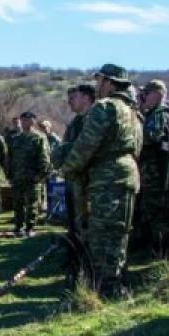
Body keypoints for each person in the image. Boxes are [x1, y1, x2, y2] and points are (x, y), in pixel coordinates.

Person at [59, 64, 143, 297]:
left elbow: (85, 146)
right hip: (128, 174)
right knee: (119, 234)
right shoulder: (132, 111)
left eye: (100, 81)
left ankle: (107, 288)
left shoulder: (105, 107)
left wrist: (67, 167)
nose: (97, 86)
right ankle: (117, 283)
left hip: (107, 178)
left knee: (102, 234)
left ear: (109, 82)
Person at [135, 79, 169, 256]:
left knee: (157, 209)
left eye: (147, 93)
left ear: (158, 94)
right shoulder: (152, 114)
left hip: (157, 170)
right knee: (148, 207)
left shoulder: (160, 114)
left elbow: (152, 136)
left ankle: (160, 247)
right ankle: (149, 243)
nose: (144, 97)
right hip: (149, 169)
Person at [53, 84, 96, 234]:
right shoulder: (75, 122)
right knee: (74, 219)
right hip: (74, 177)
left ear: (86, 98)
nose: (69, 102)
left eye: (73, 98)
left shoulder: (93, 119)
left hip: (87, 179)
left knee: (85, 219)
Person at [8, 112, 51, 237]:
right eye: (23, 120)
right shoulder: (16, 139)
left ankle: (30, 228)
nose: (25, 122)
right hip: (17, 177)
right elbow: (10, 158)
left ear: (33, 121)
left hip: (32, 177)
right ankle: (18, 227)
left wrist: (41, 175)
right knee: (17, 203)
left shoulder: (39, 138)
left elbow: (44, 158)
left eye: (28, 120)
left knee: (32, 204)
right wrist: (9, 174)